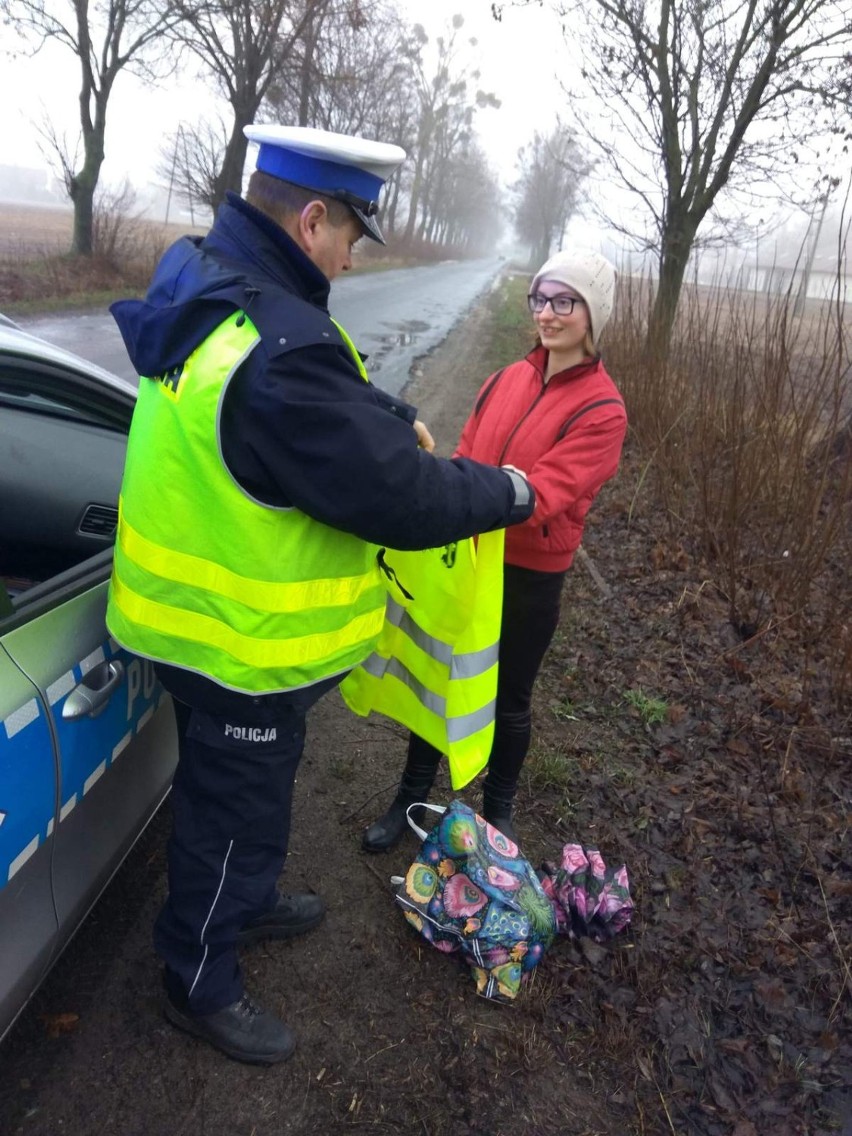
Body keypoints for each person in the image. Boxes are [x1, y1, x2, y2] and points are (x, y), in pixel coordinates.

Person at [105, 124, 536, 1066]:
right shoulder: (280, 345)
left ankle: (245, 902)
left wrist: (382, 415)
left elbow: (307, 409)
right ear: (310, 220)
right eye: (351, 234)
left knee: (247, 791)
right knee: (225, 809)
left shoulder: (207, 281)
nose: (351, 253)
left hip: (193, 621)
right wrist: (502, 492)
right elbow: (402, 495)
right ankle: (197, 978)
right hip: (236, 645)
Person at [362, 249, 627, 853]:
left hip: (530, 575)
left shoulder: (603, 410)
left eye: (566, 302)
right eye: (542, 299)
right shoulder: (505, 378)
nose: (549, 314)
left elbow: (547, 494)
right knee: (440, 677)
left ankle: (498, 813)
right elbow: (466, 457)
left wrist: (472, 491)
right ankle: (411, 798)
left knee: (510, 698)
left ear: (593, 313)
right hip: (469, 556)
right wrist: (437, 491)